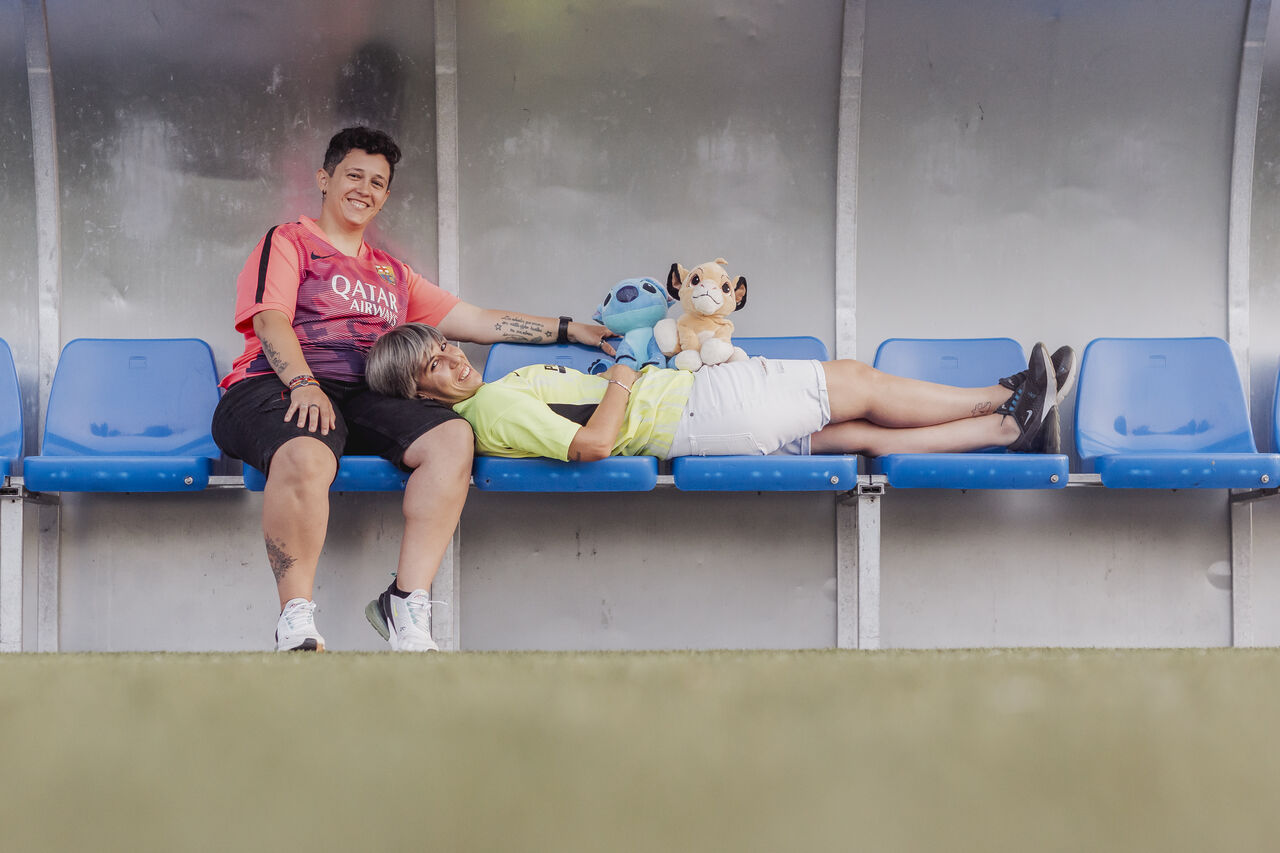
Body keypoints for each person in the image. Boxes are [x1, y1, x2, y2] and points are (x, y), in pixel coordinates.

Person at [211, 127, 611, 652]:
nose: (365, 189)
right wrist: (303, 382)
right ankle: (296, 616)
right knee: (306, 451)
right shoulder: (290, 242)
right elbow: (270, 319)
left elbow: (477, 320)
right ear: (325, 179)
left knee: (452, 437)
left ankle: (405, 601)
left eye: (377, 182)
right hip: (275, 385)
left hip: (362, 398)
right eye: (354, 175)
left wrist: (569, 328)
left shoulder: (392, 274)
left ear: (386, 196)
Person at [365, 323, 1077, 465]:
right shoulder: (489, 407)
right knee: (856, 381)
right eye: (433, 366)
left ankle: (1007, 432)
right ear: (419, 394)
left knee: (859, 435)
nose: (453, 359)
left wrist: (616, 370)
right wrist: (624, 374)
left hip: (698, 417)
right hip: (697, 409)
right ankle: (1003, 397)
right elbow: (593, 444)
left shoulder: (495, 389)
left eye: (445, 346)